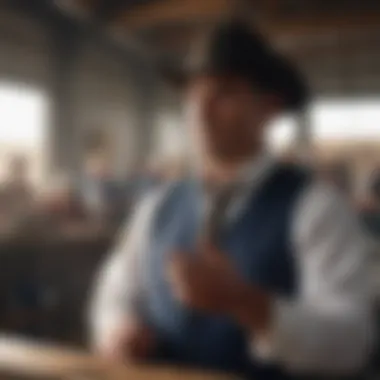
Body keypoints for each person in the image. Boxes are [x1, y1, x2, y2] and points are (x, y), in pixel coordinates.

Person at [89, 20, 374, 379]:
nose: (201, 109)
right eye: (193, 93)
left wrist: (248, 304)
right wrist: (118, 330)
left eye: (224, 92)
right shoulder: (157, 206)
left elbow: (352, 341)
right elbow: (115, 289)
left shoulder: (315, 208)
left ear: (268, 108)